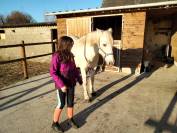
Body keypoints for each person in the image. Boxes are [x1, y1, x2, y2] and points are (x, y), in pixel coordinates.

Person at [50, 36, 83, 132]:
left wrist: (79, 78)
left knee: (70, 102)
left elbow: (74, 69)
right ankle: (55, 123)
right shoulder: (57, 56)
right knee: (61, 103)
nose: (72, 46)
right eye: (71, 45)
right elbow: (53, 72)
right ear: (65, 45)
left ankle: (70, 119)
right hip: (61, 85)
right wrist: (61, 85)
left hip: (71, 83)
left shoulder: (71, 55)